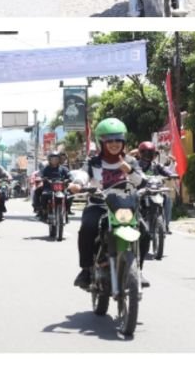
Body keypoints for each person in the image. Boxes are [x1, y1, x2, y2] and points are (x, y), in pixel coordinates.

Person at [72, 118, 149, 288]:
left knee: (144, 231)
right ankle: (86, 270)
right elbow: (83, 175)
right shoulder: (93, 162)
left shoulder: (131, 161)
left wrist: (129, 171)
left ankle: (138, 270)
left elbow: (142, 182)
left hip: (125, 206)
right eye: (109, 140)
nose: (114, 144)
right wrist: (77, 184)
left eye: (118, 140)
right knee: (87, 228)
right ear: (101, 143)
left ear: (123, 141)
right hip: (99, 205)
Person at [137, 141, 179, 234]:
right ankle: (135, 223)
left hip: (156, 189)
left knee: (167, 199)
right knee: (133, 199)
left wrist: (171, 174)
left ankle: (166, 224)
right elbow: (133, 172)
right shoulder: (137, 165)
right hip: (142, 190)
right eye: (146, 152)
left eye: (150, 153)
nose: (148, 155)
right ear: (141, 153)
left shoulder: (156, 165)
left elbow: (165, 170)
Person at [34, 151, 73, 219]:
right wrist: (42, 178)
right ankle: (43, 211)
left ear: (59, 159)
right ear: (49, 159)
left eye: (56, 158)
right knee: (43, 195)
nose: (54, 160)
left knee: (69, 196)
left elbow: (69, 175)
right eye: (53, 158)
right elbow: (41, 175)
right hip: (48, 188)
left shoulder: (63, 168)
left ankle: (66, 211)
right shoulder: (46, 168)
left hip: (61, 188)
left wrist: (68, 179)